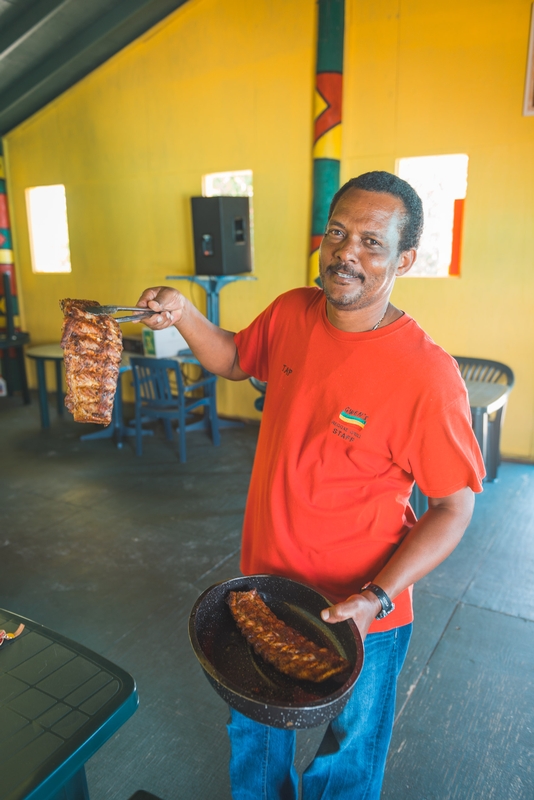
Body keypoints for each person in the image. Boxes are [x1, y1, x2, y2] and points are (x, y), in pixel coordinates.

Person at [137, 171, 485, 800]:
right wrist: (183, 313)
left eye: (372, 243)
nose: (346, 252)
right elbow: (236, 360)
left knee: (349, 756)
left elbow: (453, 509)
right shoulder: (293, 311)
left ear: (405, 259)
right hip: (264, 588)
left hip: (362, 613)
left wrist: (376, 597)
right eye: (337, 232)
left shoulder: (428, 378)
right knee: (255, 737)